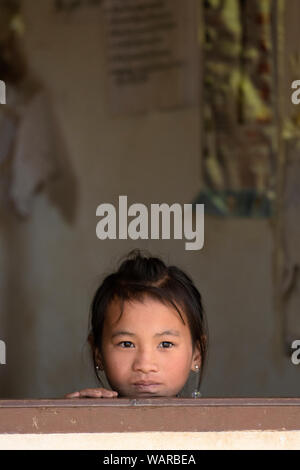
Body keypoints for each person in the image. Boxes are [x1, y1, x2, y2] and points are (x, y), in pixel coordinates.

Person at [65, 249, 208, 399]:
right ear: (98, 353)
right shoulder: (83, 417)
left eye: (165, 344)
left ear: (196, 354)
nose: (145, 366)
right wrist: (71, 417)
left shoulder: (213, 422)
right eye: (126, 344)